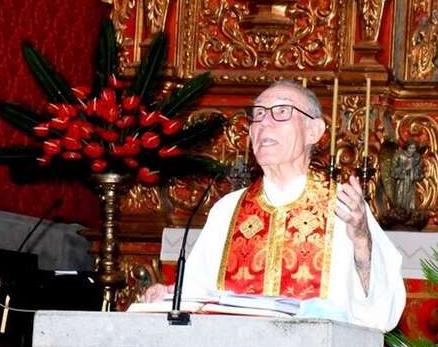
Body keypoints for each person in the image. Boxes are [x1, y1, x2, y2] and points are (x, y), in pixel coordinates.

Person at [142, 80, 406, 331]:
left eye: (281, 112)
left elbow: (381, 313)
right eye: (257, 114)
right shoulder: (228, 210)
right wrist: (165, 298)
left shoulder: (344, 208)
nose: (264, 123)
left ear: (313, 131)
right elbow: (194, 295)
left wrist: (361, 239)